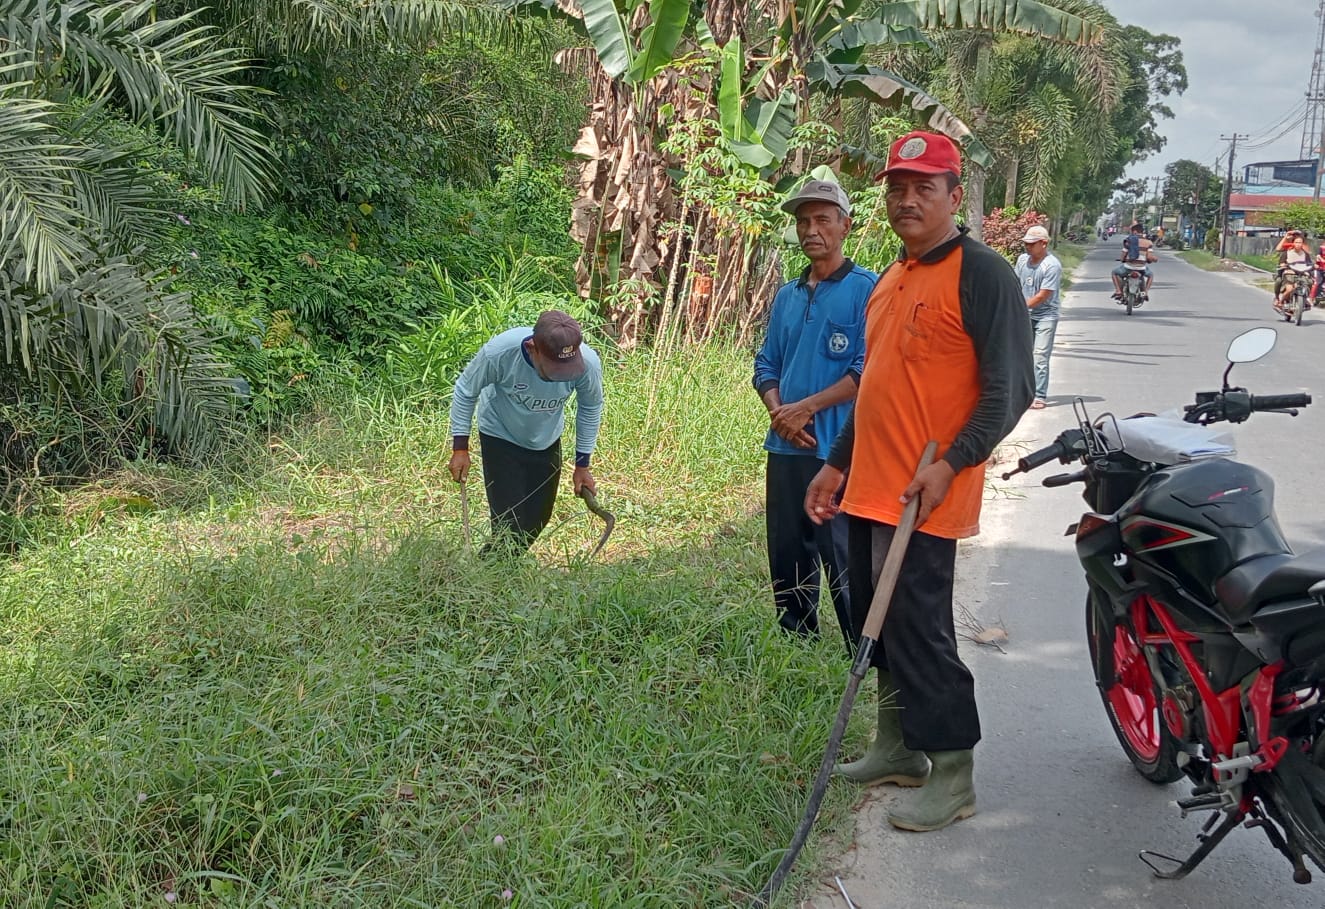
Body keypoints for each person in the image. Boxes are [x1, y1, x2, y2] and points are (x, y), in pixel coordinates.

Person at [803, 131, 1034, 833]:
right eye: (896, 188)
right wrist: (836, 460)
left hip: (925, 494)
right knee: (880, 623)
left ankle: (954, 772)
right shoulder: (892, 278)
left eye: (923, 187)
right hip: (869, 485)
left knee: (919, 630)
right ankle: (897, 748)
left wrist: (950, 460)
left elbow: (1012, 388)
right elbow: (876, 385)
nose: (906, 199)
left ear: (953, 197)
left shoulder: (982, 274)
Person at [753, 180, 877, 645]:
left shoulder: (868, 289)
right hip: (785, 446)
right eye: (804, 221)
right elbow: (765, 364)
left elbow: (869, 369)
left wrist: (807, 407)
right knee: (787, 550)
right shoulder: (787, 295)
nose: (812, 230)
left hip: (839, 450)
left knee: (840, 551)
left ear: (845, 225)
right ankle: (797, 640)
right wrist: (779, 412)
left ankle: (857, 649)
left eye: (823, 219)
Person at [448, 310, 604, 554]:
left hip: (546, 439)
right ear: (533, 348)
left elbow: (591, 405)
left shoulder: (588, 364)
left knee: (537, 519)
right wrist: (460, 447)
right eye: (554, 368)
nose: (559, 377)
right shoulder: (500, 353)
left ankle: (487, 571)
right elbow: (466, 390)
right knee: (508, 524)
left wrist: (582, 465)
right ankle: (492, 581)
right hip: (500, 435)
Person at [1014, 225, 1063, 410]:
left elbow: (1043, 295)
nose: (1028, 247)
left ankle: (1039, 395)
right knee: (1023, 355)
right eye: (1026, 244)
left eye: (1032, 244)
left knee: (1040, 355)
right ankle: (1022, 393)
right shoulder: (1022, 260)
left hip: (1045, 316)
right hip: (1025, 314)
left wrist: (1017, 307)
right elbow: (1015, 283)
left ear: (1043, 243)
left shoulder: (1051, 266)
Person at [1111, 223, 1154, 302]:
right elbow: (1149, 257)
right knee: (1150, 275)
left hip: (1128, 267)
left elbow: (1123, 255)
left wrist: (1122, 259)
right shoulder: (1149, 242)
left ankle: (1118, 291)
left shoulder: (1129, 240)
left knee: (1114, 272)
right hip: (1141, 268)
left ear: (1134, 232)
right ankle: (1145, 292)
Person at [1276, 234, 1312, 313]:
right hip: (1289, 273)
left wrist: (1309, 269)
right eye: (1296, 242)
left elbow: (1309, 263)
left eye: (1300, 242)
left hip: (1301, 273)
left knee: (1309, 282)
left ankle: (1305, 299)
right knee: (1289, 289)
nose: (1298, 244)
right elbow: (1281, 263)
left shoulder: (1305, 254)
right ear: (1293, 243)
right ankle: (1280, 301)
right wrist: (1285, 266)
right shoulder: (1288, 252)